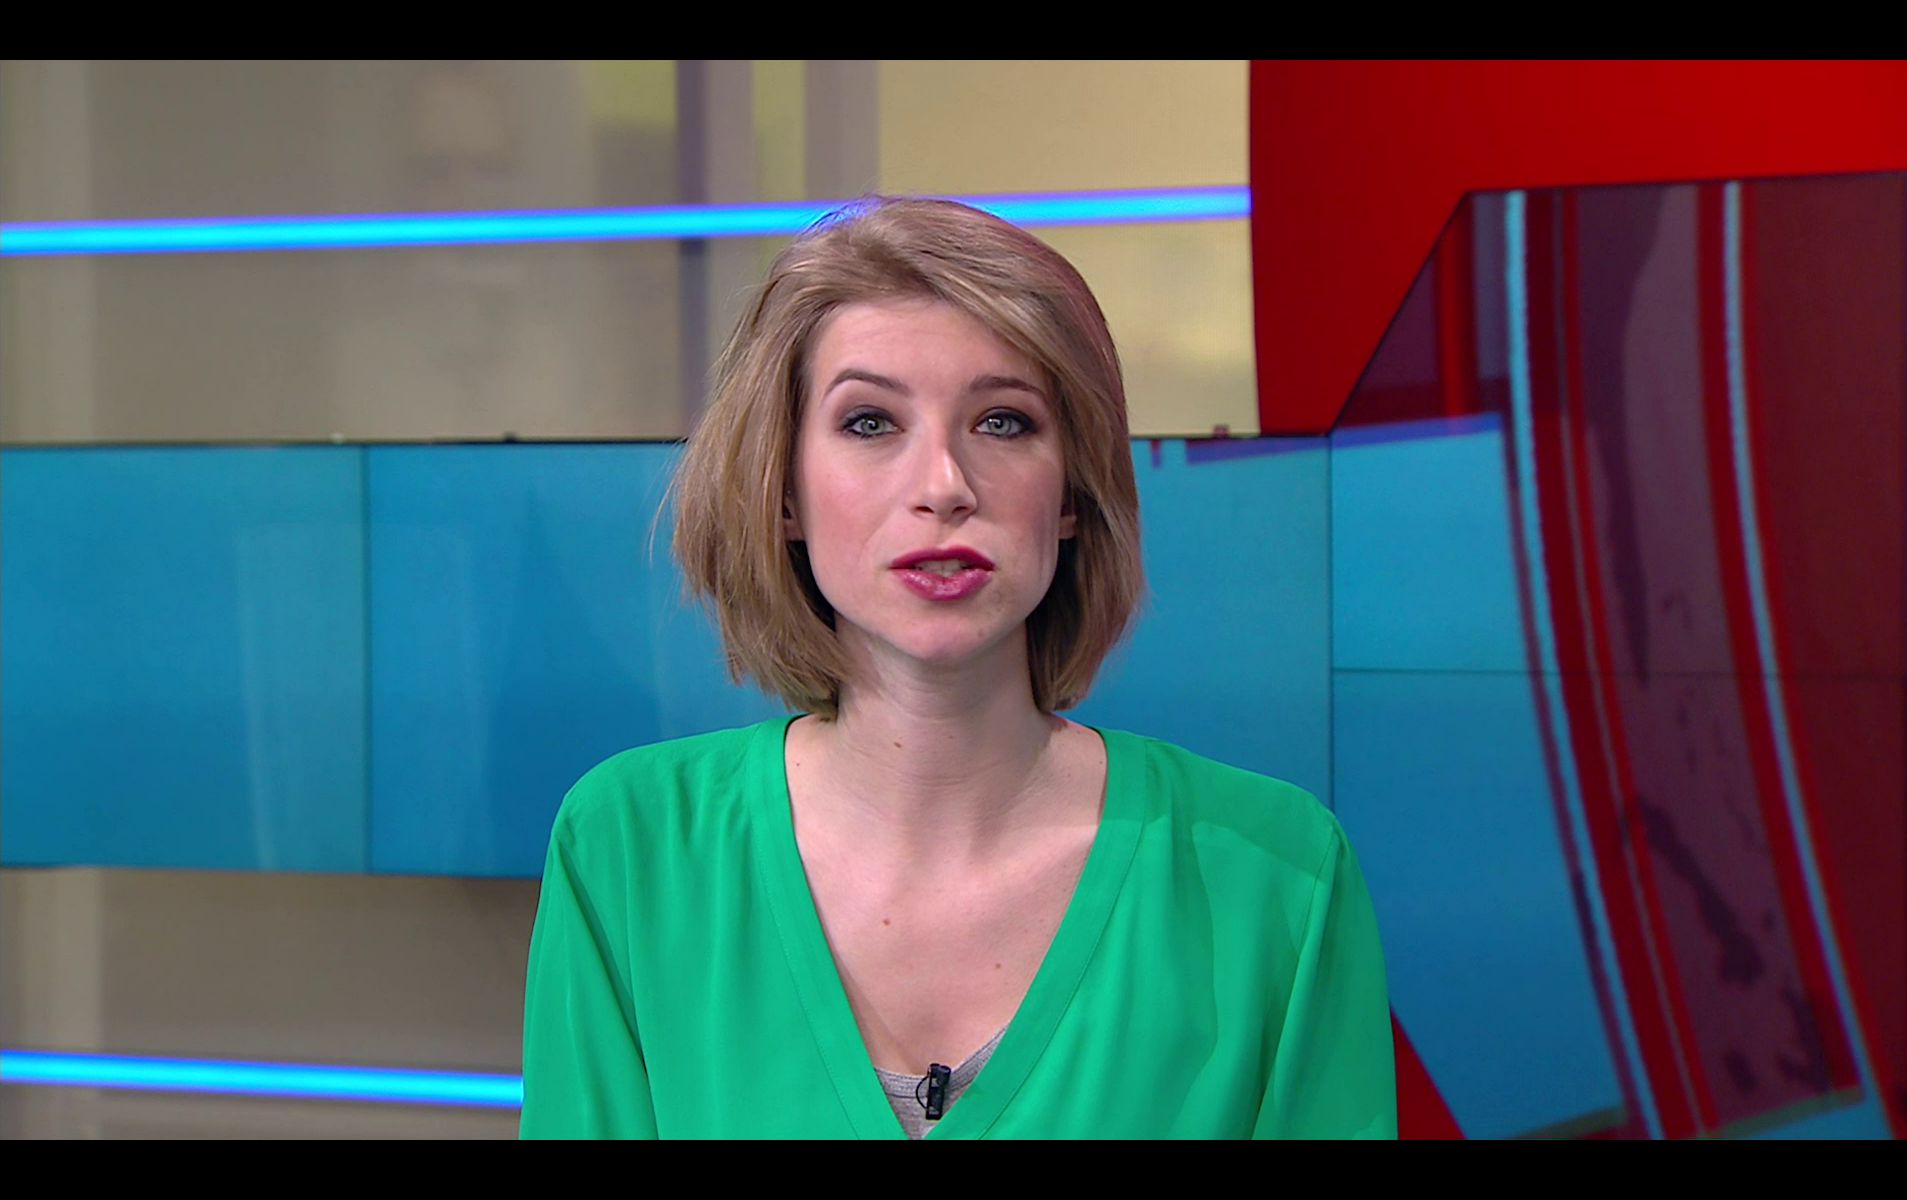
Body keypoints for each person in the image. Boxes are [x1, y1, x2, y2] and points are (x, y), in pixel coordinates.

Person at [519, 195, 1396, 1139]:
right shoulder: (631, 849)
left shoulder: (1276, 875)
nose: (944, 486)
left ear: (1072, 493)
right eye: (869, 423)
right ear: (784, 493)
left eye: (1004, 422)